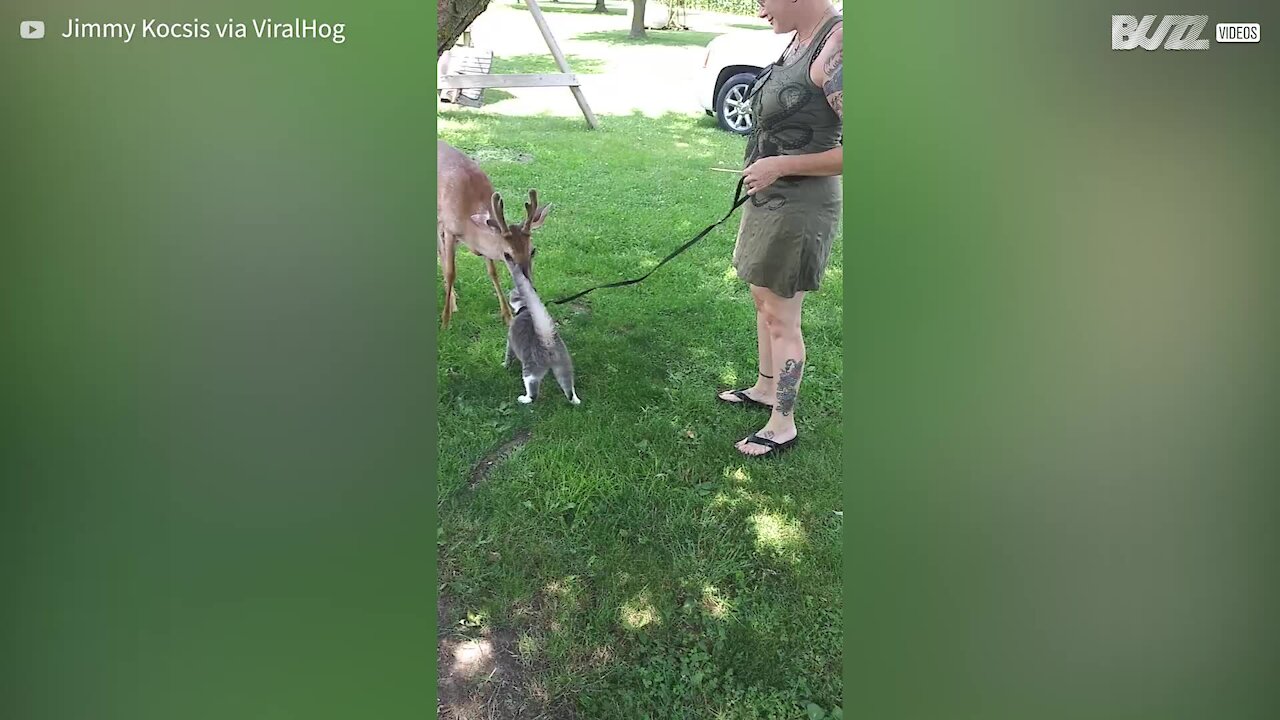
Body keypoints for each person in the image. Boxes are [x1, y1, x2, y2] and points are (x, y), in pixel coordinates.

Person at [716, 0, 842, 457]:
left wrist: (781, 165)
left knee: (783, 316)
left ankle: (782, 423)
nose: (759, 10)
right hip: (769, 198)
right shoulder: (800, 39)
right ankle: (766, 388)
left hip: (800, 207)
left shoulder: (838, 46)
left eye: (762, 0)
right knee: (764, 302)